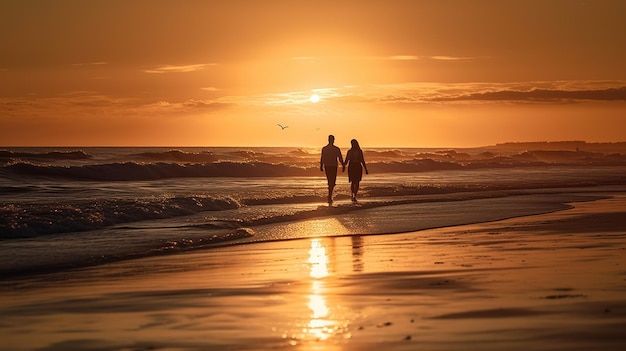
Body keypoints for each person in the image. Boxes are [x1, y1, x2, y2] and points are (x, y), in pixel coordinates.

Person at [320, 135, 344, 204]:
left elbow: (322, 158)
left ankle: (330, 195)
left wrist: (321, 165)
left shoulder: (325, 148)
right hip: (332, 166)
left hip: (328, 166)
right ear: (333, 140)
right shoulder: (336, 149)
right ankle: (330, 195)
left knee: (330, 181)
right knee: (332, 181)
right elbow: (340, 158)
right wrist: (343, 165)